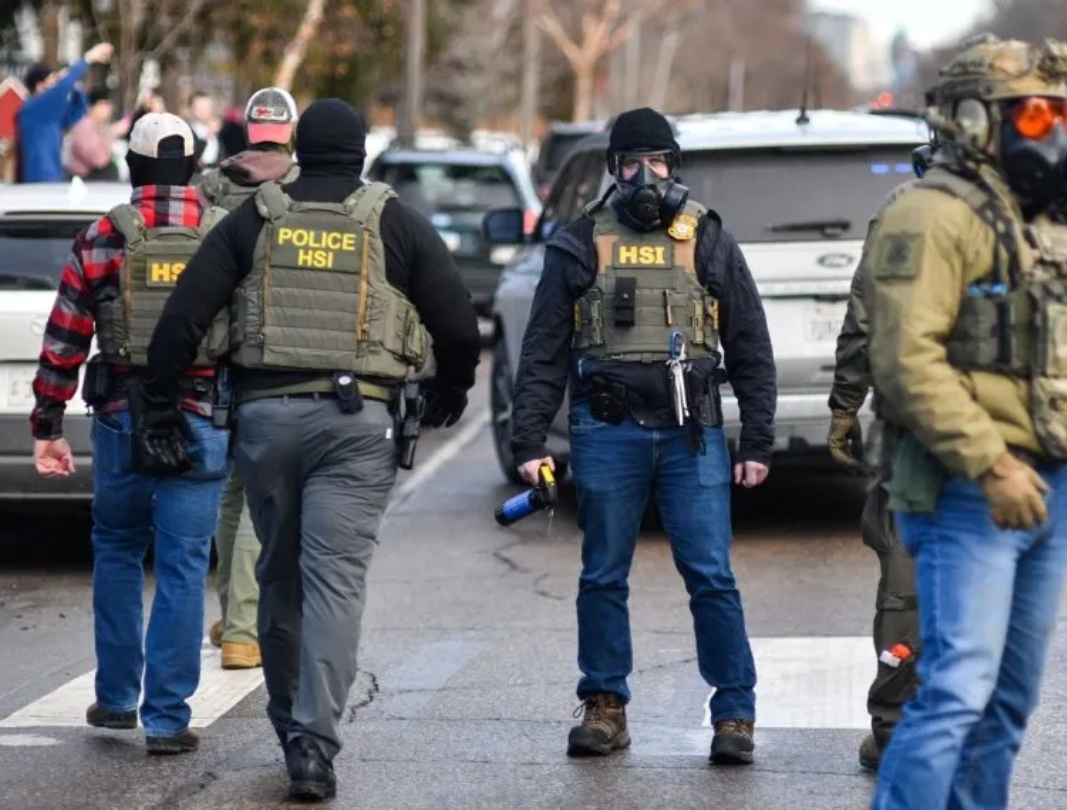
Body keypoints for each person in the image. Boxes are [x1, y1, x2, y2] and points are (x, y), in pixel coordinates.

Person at [141, 98, 481, 801]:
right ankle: (313, 746)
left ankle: (287, 725)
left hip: (266, 422)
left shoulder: (256, 218)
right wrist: (451, 388)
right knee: (335, 583)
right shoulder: (394, 221)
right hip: (358, 428)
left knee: (280, 575)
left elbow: (185, 314)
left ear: (300, 150)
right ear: (361, 155)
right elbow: (457, 322)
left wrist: (161, 403)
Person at [864, 35, 1067, 809]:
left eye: (1058, 115)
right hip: (966, 494)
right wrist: (991, 464)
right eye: (1033, 115)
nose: (1052, 132)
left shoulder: (1053, 218)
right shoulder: (929, 215)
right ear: (977, 119)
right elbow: (905, 361)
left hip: (1046, 489)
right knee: (955, 693)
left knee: (1010, 701)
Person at [508, 106, 777, 766]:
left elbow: (748, 340)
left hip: (692, 434)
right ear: (614, 168)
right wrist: (529, 441)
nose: (647, 175)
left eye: (658, 161)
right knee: (603, 573)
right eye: (633, 163)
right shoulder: (580, 240)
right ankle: (605, 704)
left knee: (710, 575)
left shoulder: (706, 235)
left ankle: (734, 713)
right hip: (608, 429)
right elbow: (543, 348)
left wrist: (758, 440)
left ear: (674, 165)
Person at [30, 112, 232, 755]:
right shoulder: (225, 234)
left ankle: (117, 698)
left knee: (118, 548)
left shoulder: (100, 236)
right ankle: (168, 719)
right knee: (184, 563)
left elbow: (65, 339)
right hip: (201, 417)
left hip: (121, 415)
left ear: (133, 167)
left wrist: (48, 423)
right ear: (194, 165)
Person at [827, 135, 937, 772]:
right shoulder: (1028, 210)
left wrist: (846, 404)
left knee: (905, 577)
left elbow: (865, 314)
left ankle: (896, 727)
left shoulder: (905, 206)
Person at [196, 86, 301, 671]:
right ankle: (242, 627)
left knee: (232, 490)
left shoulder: (211, 185)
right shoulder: (298, 187)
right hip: (270, 352)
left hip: (216, 352)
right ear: (289, 131)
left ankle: (229, 613)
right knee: (263, 488)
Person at [17, 42, 113, 182]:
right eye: (52, 81)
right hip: (39, 179)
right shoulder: (33, 108)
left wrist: (75, 86)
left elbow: (79, 110)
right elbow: (63, 87)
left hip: (54, 177)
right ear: (39, 86)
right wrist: (88, 58)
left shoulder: (49, 117)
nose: (56, 84)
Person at [65, 87, 119, 181]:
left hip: (92, 178)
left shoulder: (97, 126)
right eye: (103, 104)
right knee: (110, 170)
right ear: (91, 107)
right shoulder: (84, 127)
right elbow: (99, 161)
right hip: (84, 179)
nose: (108, 109)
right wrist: (112, 134)